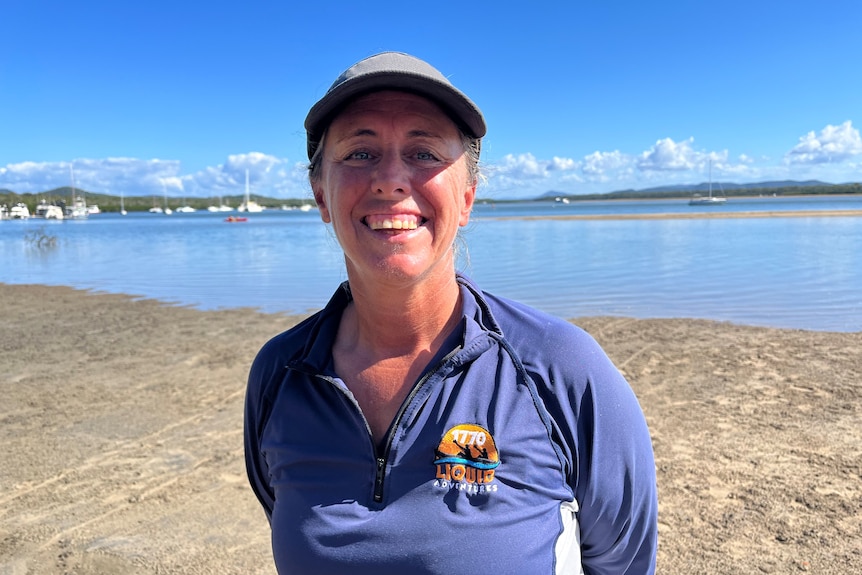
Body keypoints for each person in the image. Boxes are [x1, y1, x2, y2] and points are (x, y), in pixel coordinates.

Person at [244, 51, 658, 574]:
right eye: (359, 153)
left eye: (423, 153)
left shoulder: (561, 368)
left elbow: (623, 561)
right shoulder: (280, 375)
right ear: (320, 194)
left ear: (466, 197)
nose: (391, 179)